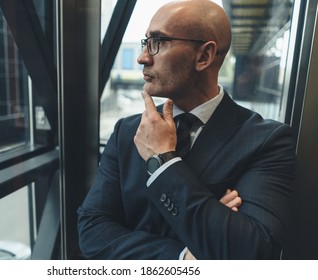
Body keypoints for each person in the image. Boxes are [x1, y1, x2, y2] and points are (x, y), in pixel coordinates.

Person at [77, 0, 295, 259]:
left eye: (159, 42)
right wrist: (184, 257)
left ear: (204, 56)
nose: (143, 56)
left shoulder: (267, 141)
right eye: (146, 42)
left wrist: (164, 161)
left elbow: (254, 250)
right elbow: (91, 230)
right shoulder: (127, 130)